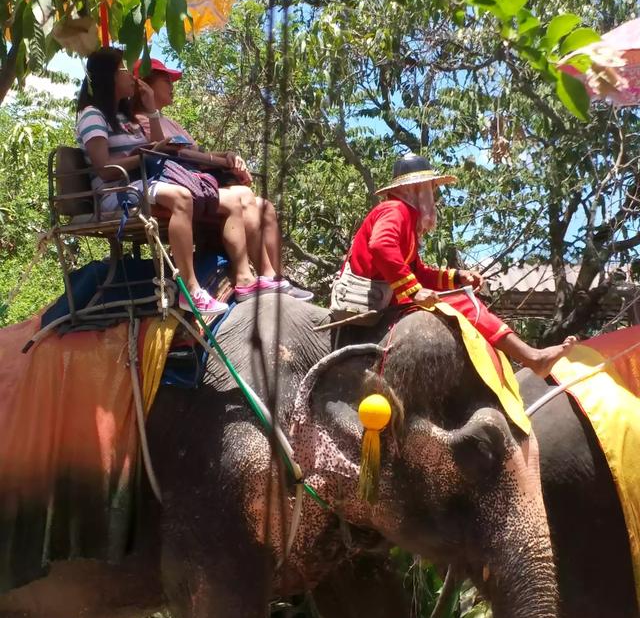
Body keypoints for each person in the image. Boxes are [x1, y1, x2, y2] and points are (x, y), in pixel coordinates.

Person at [334, 153, 576, 378]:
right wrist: (414, 291)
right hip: (376, 299)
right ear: (415, 188)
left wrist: (457, 277)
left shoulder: (405, 217)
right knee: (463, 302)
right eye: (432, 188)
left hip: (385, 296)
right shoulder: (396, 210)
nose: (435, 195)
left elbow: (416, 271)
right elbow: (381, 245)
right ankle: (531, 357)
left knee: (459, 294)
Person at [75, 48, 276, 315]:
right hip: (119, 190)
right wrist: (144, 156)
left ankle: (247, 279)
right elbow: (105, 170)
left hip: (146, 182)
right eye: (123, 69)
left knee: (233, 199)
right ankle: (191, 289)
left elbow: (153, 149)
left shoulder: (126, 119)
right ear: (109, 77)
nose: (128, 75)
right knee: (182, 197)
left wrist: (151, 112)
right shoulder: (92, 115)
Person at [132, 58, 313, 301]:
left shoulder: (171, 122)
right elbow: (172, 154)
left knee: (265, 207)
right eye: (166, 79)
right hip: (181, 185)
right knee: (245, 197)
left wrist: (228, 156)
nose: (172, 85)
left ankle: (276, 278)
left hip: (196, 181)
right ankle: (253, 277)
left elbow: (195, 151)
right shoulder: (141, 121)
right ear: (146, 85)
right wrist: (219, 161)